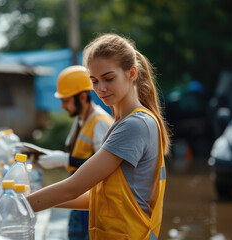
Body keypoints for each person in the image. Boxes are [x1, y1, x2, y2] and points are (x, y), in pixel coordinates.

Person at [28, 33, 171, 239]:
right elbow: (94, 199)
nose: (100, 89)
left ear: (132, 73)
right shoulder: (122, 122)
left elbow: (73, 187)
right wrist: (31, 198)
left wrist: (19, 206)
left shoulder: (135, 124)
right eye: (94, 81)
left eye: (108, 78)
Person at [37, 65, 113, 240]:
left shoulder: (100, 122)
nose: (62, 106)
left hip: (92, 201)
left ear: (82, 97)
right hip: (80, 195)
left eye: (66, 100)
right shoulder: (82, 120)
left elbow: (102, 169)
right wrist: (47, 154)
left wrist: (64, 160)